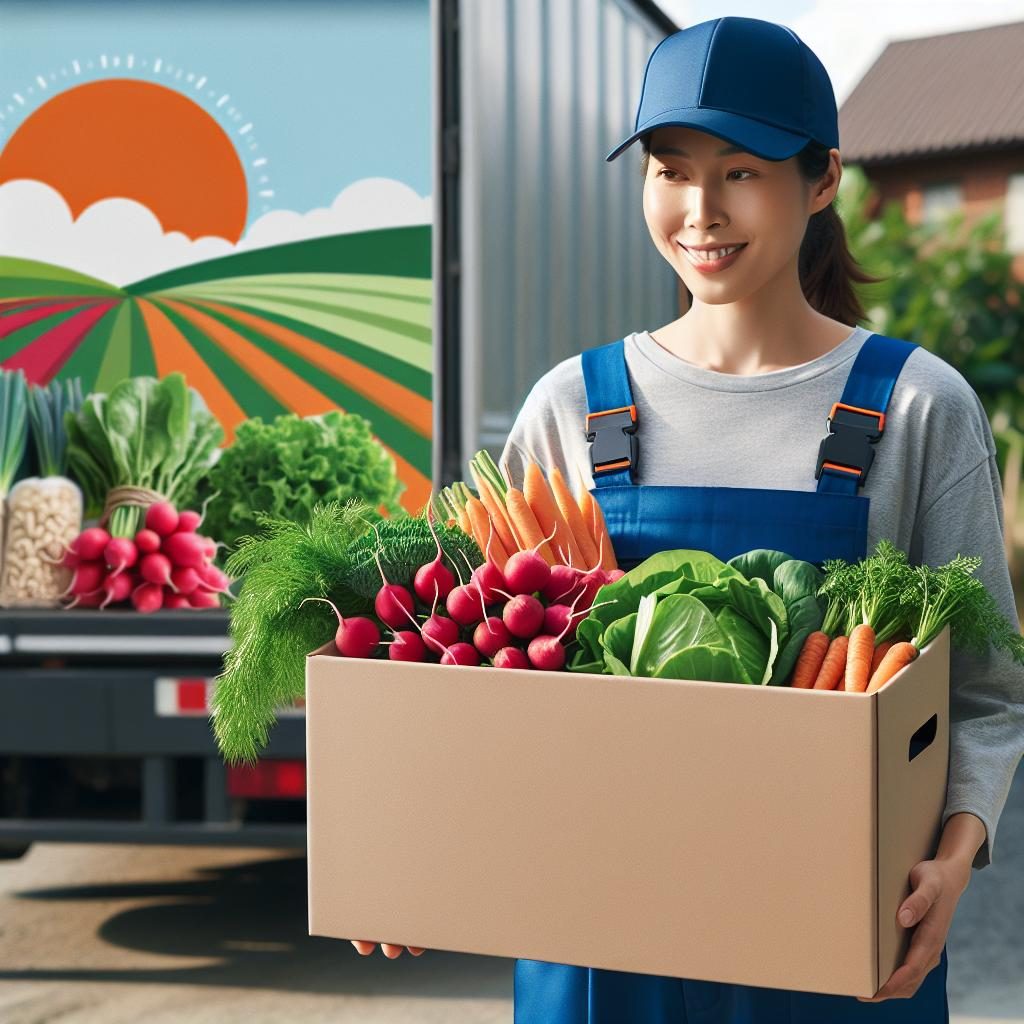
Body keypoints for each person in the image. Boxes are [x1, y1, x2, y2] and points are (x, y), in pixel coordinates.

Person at [495, 14, 1024, 1024]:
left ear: (821, 180)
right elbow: (486, 685)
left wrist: (951, 866)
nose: (698, 209)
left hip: (836, 940)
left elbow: (988, 693)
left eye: (740, 171)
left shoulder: (913, 406)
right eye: (669, 168)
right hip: (601, 945)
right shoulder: (571, 407)